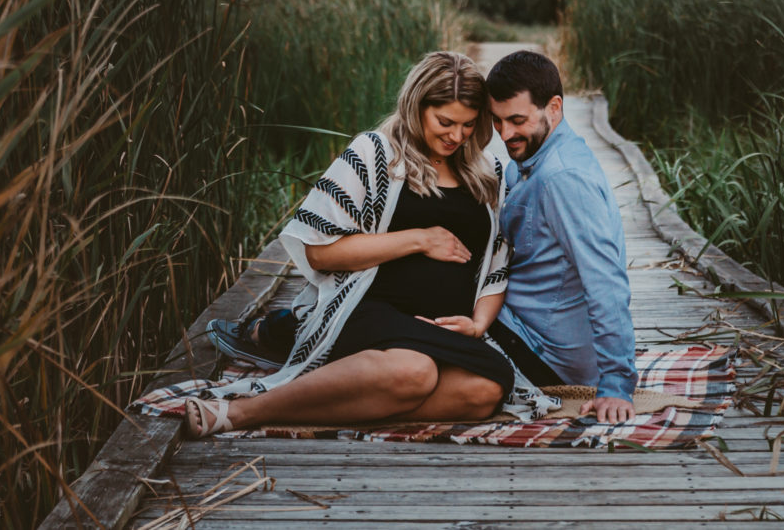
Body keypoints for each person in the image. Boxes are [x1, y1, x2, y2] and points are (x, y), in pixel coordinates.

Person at [185, 51, 557, 437]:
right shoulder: (375, 155)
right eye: (444, 122)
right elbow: (319, 251)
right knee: (415, 371)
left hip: (444, 329)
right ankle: (246, 412)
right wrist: (417, 239)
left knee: (485, 390)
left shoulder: (489, 172)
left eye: (467, 125)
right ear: (416, 108)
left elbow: (496, 267)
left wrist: (478, 324)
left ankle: (352, 400)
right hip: (373, 313)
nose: (456, 136)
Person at [484, 50, 638, 424]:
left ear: (554, 107)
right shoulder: (538, 160)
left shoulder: (562, 178)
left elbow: (605, 279)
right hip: (526, 327)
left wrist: (615, 383)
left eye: (517, 120)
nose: (505, 134)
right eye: (497, 121)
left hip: (544, 355)